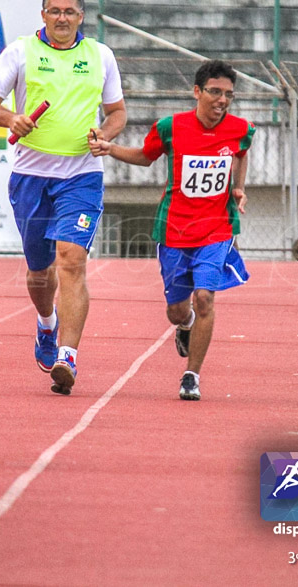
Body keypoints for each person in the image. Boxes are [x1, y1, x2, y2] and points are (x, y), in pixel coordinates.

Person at [0, 0, 127, 396]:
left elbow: (117, 113)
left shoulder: (100, 56)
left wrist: (106, 135)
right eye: (54, 10)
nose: (62, 17)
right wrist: (12, 119)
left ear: (82, 17)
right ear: (43, 15)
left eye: (70, 11)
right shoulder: (21, 52)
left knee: (72, 259)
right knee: (39, 272)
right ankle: (47, 325)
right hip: (31, 177)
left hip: (81, 175)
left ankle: (68, 356)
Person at [88, 60, 254, 401]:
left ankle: (191, 375)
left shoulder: (241, 129)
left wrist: (238, 188)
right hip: (174, 229)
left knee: (205, 297)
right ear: (197, 92)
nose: (222, 100)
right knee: (177, 309)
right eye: (215, 92)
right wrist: (110, 148)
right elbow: (145, 156)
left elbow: (242, 153)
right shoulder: (170, 127)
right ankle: (185, 324)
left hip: (217, 228)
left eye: (229, 95)